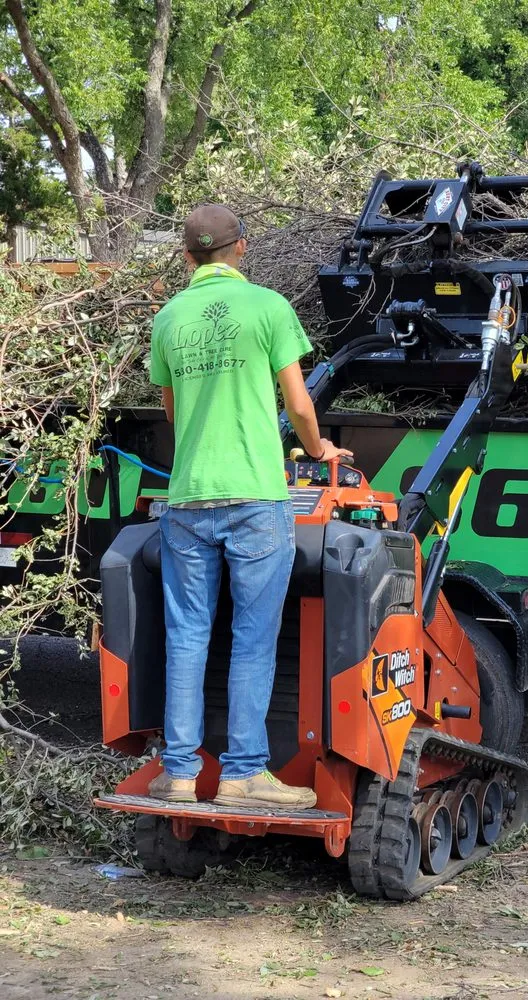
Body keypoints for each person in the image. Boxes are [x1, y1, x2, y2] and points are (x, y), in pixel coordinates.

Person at [147, 204, 352, 810]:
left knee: (186, 636)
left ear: (187, 258)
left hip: (188, 498)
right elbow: (300, 405)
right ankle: (243, 774)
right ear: (242, 249)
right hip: (258, 498)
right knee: (253, 638)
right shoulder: (268, 308)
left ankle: (179, 773)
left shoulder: (168, 318)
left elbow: (173, 412)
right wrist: (318, 450)